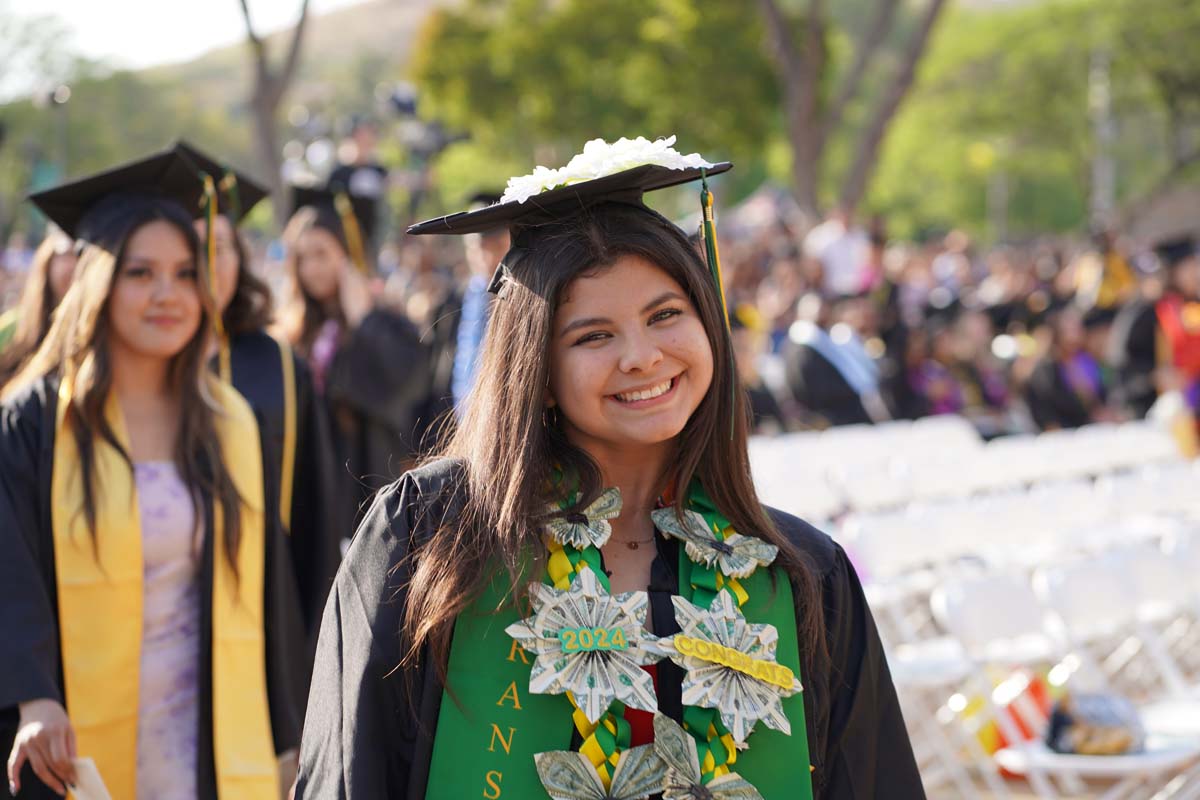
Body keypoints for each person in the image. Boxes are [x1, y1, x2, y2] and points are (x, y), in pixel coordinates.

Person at [295, 136, 923, 799]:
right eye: (594, 335)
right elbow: (350, 773)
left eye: (666, 316)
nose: (643, 357)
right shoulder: (429, 535)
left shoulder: (799, 574)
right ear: (534, 368)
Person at [1, 148, 304, 799]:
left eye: (185, 273)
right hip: (70, 731)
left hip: (206, 729)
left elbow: (268, 591)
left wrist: (293, 729)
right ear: (99, 282)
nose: (167, 293)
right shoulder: (34, 422)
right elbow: (9, 571)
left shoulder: (228, 421)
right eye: (141, 272)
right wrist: (31, 696)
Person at [180, 141, 343, 652]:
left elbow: (318, 520)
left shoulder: (278, 365)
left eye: (221, 247)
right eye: (192, 249)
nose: (208, 263)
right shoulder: (131, 372)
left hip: (266, 627)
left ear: (240, 257)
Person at [276, 185, 430, 529]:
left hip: (363, 487)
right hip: (306, 488)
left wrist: (362, 319)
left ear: (347, 255)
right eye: (302, 258)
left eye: (322, 254)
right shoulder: (292, 328)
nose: (312, 268)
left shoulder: (384, 321)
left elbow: (405, 386)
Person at [1109, 235, 1200, 423]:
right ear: (1172, 271)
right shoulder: (1146, 310)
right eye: (1190, 267)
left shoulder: (1192, 305)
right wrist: (1153, 376)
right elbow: (1122, 361)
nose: (1196, 273)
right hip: (1155, 411)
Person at [0, 227, 77, 386]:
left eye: (79, 255)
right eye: (65, 254)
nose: (73, 265)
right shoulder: (12, 328)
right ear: (48, 260)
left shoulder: (99, 333)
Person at [1024, 307, 1115, 430]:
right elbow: (1044, 410)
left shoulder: (1089, 361)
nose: (1074, 335)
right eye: (1068, 330)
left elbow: (1099, 399)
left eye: (1076, 328)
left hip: (1091, 431)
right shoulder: (1045, 371)